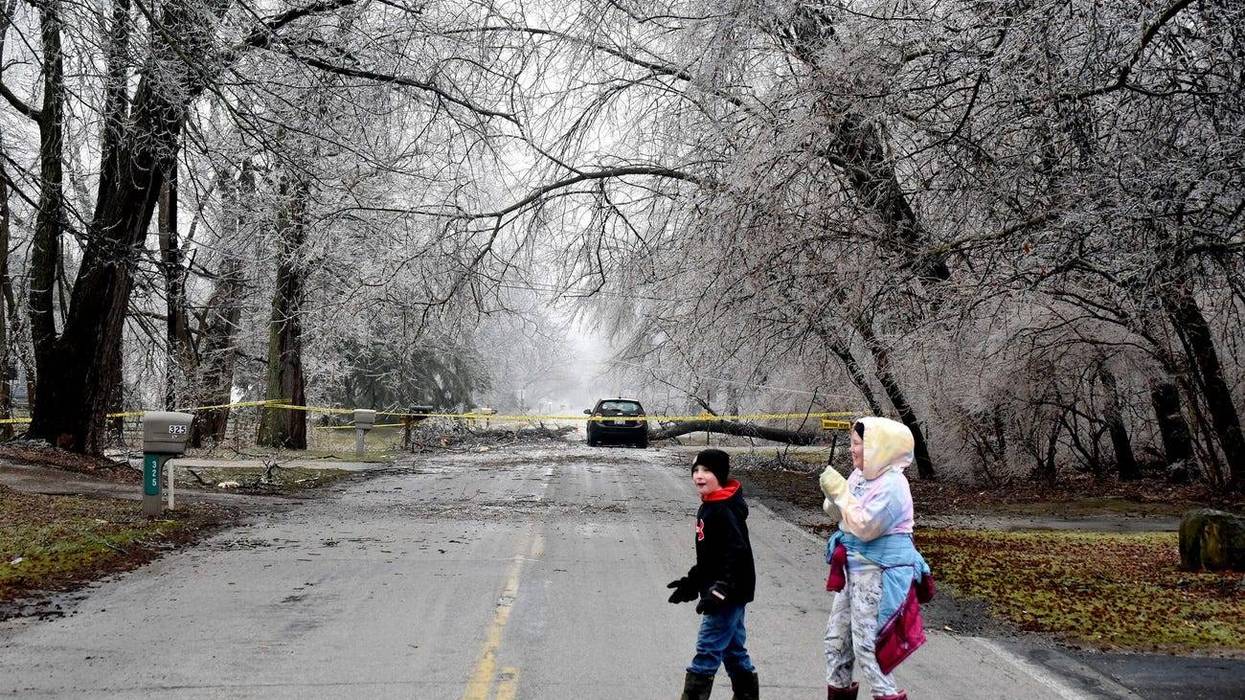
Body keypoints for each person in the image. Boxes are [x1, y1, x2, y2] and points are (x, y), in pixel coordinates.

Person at [820, 417, 933, 700]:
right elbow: (842, 517)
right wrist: (833, 498)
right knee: (836, 643)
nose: (852, 450)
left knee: (869, 648)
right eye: (852, 444)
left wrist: (841, 495)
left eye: (858, 444)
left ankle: (888, 694)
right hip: (853, 569)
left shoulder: (894, 485)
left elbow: (865, 526)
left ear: (878, 448)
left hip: (879, 572)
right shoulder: (860, 476)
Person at [667, 448, 760, 700]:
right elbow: (709, 558)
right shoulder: (709, 506)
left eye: (707, 470)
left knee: (707, 650)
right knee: (733, 651)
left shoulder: (724, 509)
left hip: (727, 592)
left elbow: (736, 552)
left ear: (719, 474)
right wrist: (691, 582)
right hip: (728, 589)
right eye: (696, 470)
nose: (699, 475)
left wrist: (720, 589)